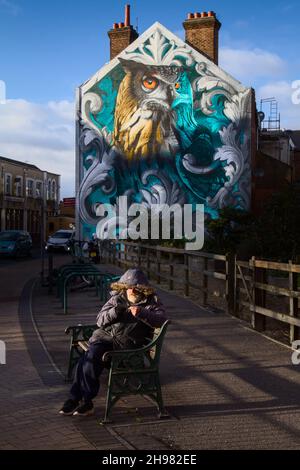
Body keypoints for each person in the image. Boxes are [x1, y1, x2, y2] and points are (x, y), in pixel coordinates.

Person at [59, 268, 168, 416]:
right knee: (88, 359)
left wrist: (143, 313)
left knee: (89, 359)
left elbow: (162, 320)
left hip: (126, 349)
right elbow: (99, 320)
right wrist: (115, 311)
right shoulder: (117, 298)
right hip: (104, 338)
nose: (132, 291)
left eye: (136, 288)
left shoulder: (151, 302)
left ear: (143, 288)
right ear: (124, 287)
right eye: (129, 287)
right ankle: (78, 400)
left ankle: (82, 400)